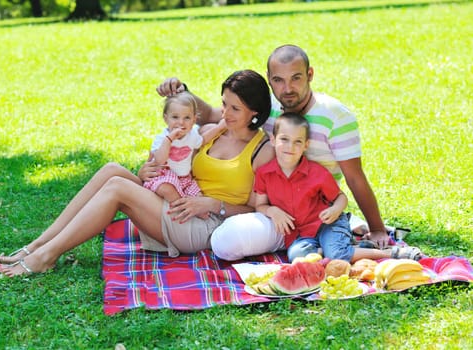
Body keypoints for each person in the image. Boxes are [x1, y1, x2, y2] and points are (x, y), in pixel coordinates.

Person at [0, 69, 274, 277]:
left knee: (118, 187)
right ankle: (38, 244)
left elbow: (256, 208)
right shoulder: (213, 132)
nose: (224, 113)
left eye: (235, 108)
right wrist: (148, 169)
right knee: (112, 170)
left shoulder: (262, 149)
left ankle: (47, 256)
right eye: (224, 104)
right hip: (179, 199)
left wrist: (213, 203)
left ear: (255, 112)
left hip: (205, 223)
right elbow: (176, 163)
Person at [155, 44, 390, 250]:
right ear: (269, 80)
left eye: (295, 78)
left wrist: (377, 228)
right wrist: (182, 91)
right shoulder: (269, 111)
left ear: (310, 74)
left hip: (313, 207)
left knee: (229, 239)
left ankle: (346, 226)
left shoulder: (336, 116)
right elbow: (213, 116)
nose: (287, 89)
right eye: (278, 80)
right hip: (270, 207)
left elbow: (355, 178)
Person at [252, 112, 422, 263]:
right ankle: (355, 247)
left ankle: (390, 253)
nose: (290, 147)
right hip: (300, 233)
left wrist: (335, 210)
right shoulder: (265, 173)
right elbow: (260, 205)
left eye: (298, 142)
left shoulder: (316, 173)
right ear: (273, 140)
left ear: (306, 145)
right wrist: (273, 211)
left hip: (328, 223)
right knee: (296, 257)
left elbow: (341, 198)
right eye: (284, 139)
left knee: (336, 255)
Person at [143, 91, 225, 202]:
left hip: (184, 179)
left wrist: (219, 127)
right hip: (163, 176)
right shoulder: (163, 138)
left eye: (187, 118)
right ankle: (179, 209)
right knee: (169, 191)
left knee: (199, 197)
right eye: (175, 117)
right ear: (166, 119)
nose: (181, 122)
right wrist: (169, 139)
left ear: (194, 120)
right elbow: (159, 161)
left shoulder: (192, 135)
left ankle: (196, 214)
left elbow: (203, 140)